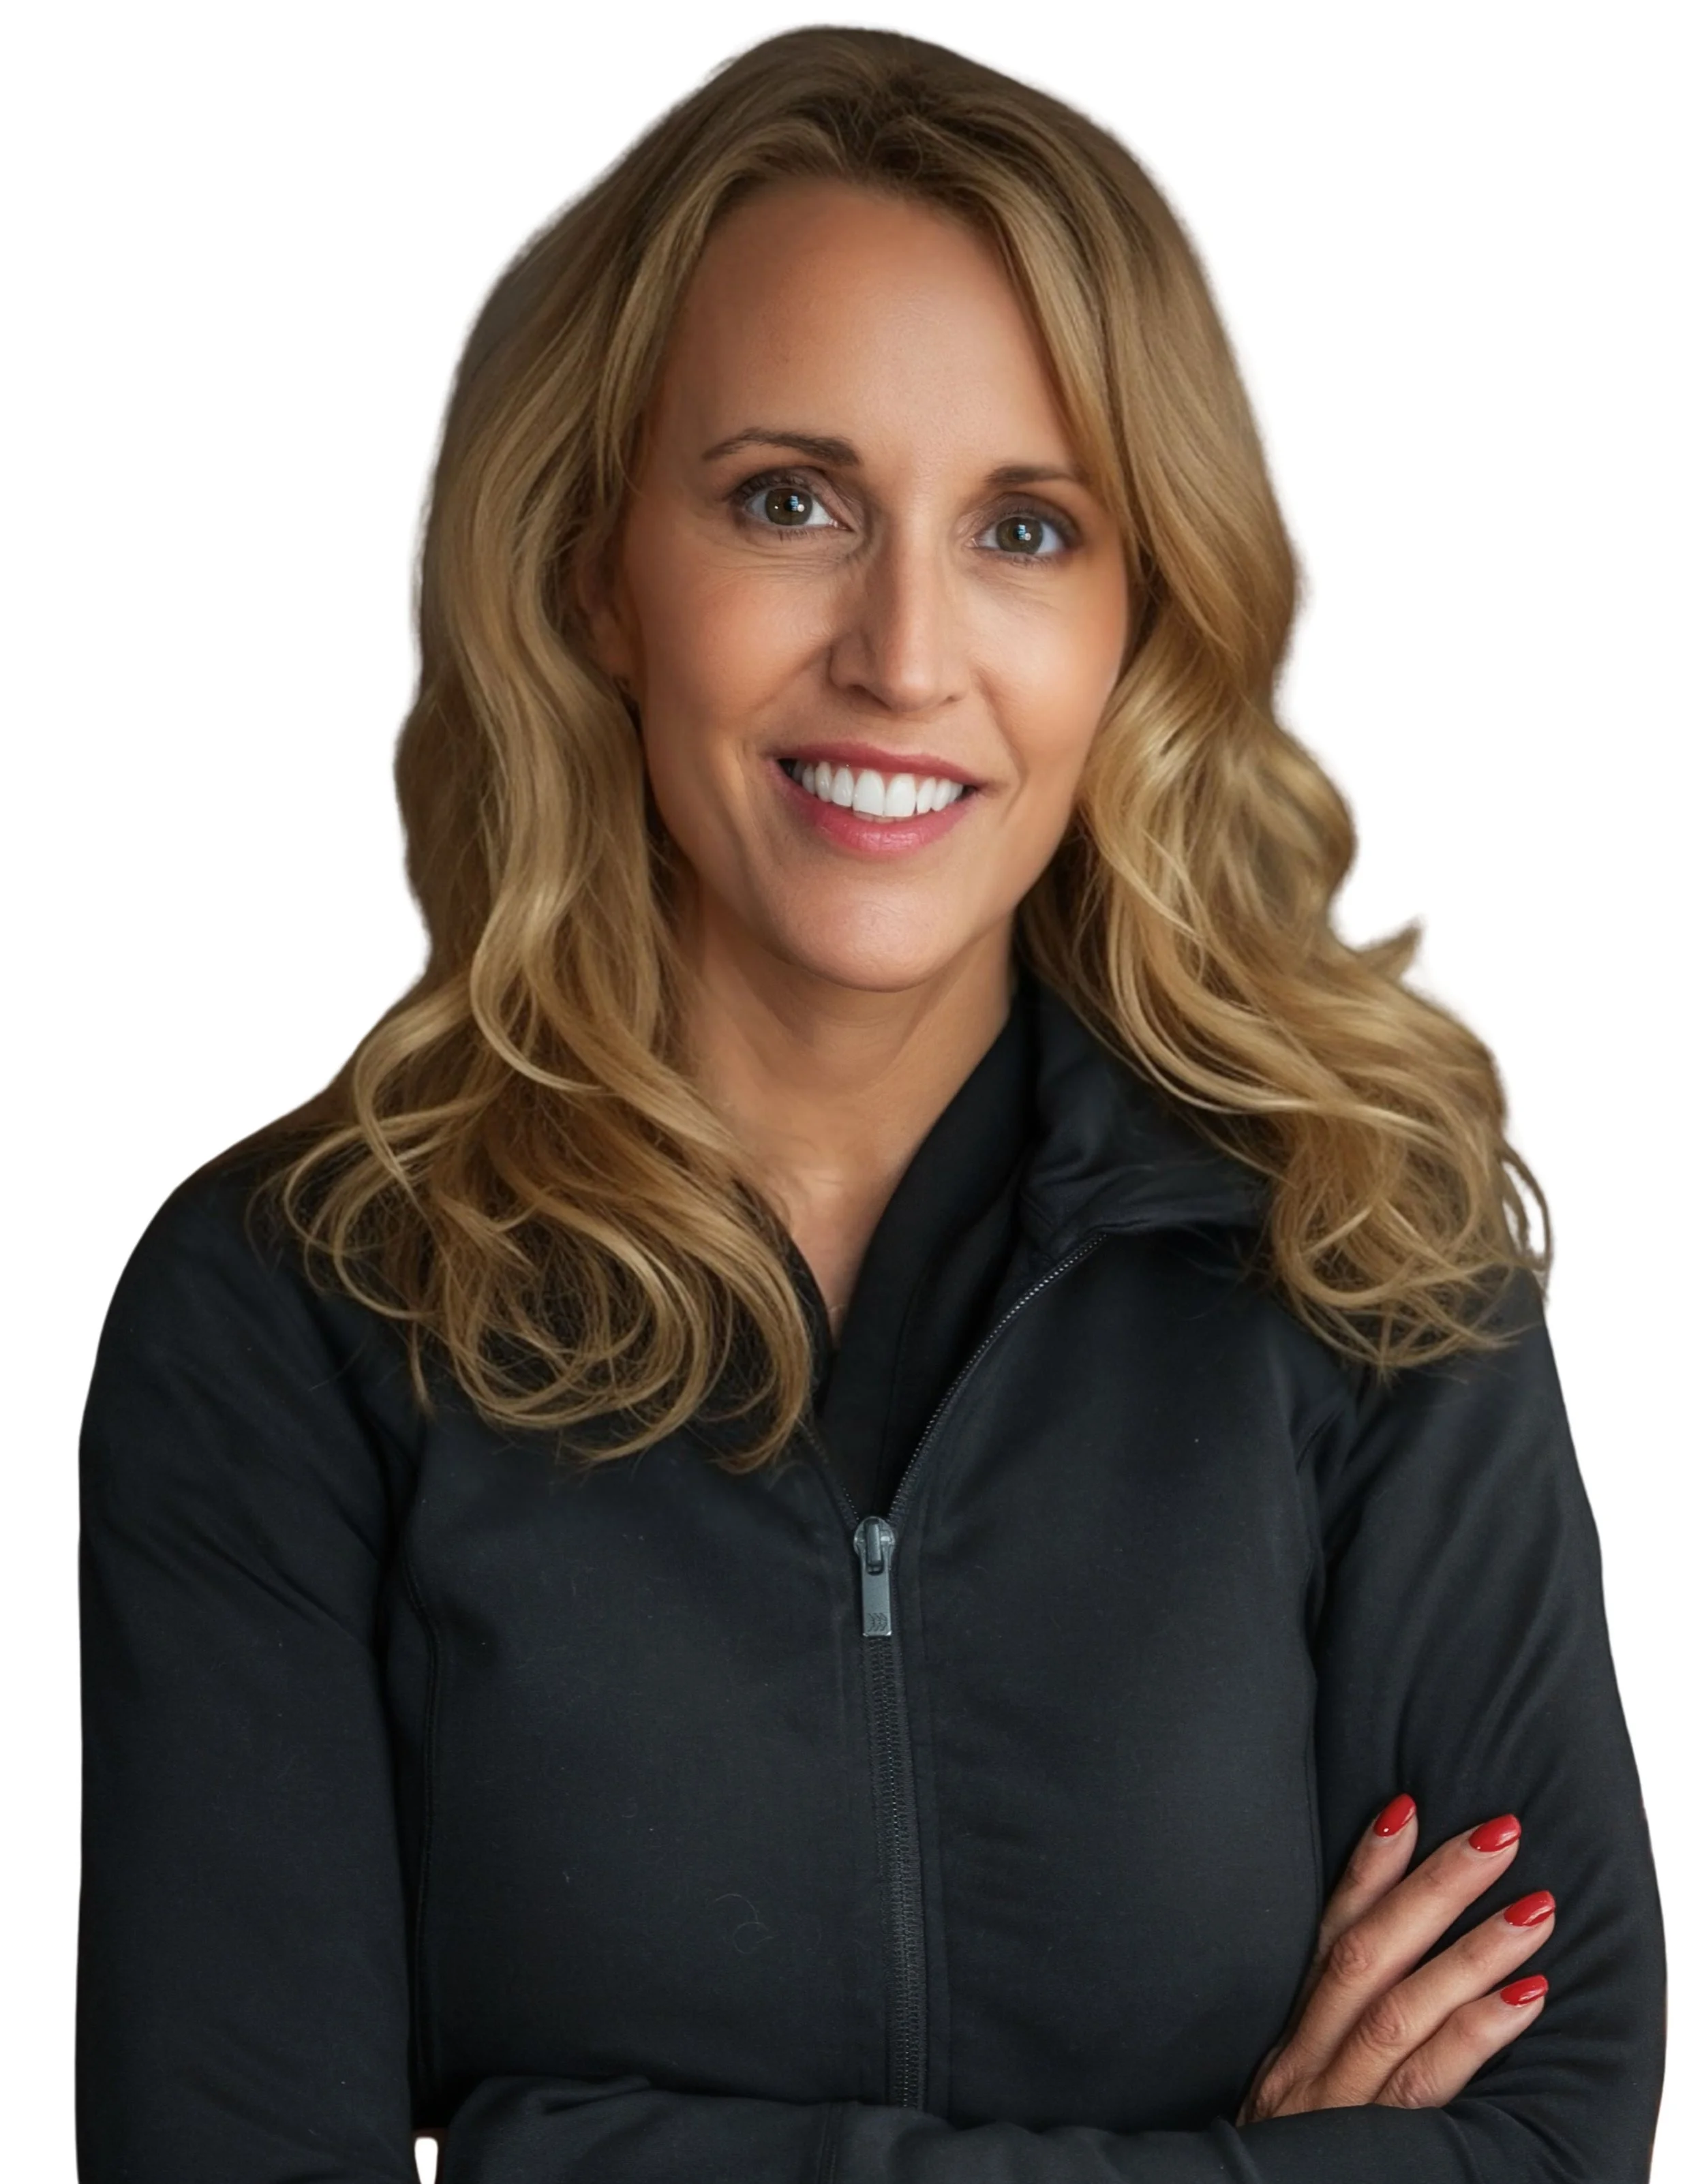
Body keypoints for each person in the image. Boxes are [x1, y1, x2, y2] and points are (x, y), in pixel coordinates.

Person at [74, 25, 1666, 2184]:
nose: (904, 653)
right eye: (788, 502)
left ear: (1137, 624)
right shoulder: (290, 1319)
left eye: (1024, 526)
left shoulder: (1367, 1255)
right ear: (589, 576)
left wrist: (549, 2147)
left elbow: (1552, 2136)